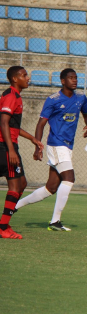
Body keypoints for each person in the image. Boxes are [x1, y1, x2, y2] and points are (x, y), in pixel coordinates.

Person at [15, 69, 87, 231]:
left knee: (50, 188)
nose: (74, 80)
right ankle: (55, 221)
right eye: (70, 78)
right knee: (69, 178)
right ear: (63, 81)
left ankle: (14, 206)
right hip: (56, 144)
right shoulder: (53, 100)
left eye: (76, 78)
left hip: (68, 146)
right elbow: (41, 124)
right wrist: (38, 146)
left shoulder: (81, 98)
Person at [0, 66, 44, 239]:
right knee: (15, 186)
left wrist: (32, 138)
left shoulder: (14, 96)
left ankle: (4, 224)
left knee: (22, 183)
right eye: (24, 75)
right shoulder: (11, 96)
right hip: (5, 147)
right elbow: (3, 123)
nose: (28, 78)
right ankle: (3, 227)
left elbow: (12, 126)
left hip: (9, 145)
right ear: (15, 79)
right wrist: (11, 150)